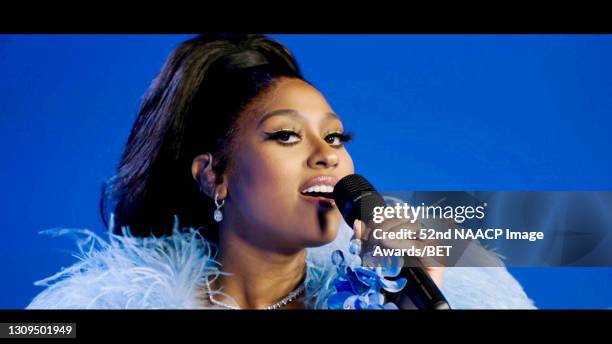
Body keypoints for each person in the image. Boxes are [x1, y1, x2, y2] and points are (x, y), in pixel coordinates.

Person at [27, 34, 534, 309]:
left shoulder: (414, 292)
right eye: (287, 135)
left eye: (335, 137)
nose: (327, 154)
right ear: (214, 176)